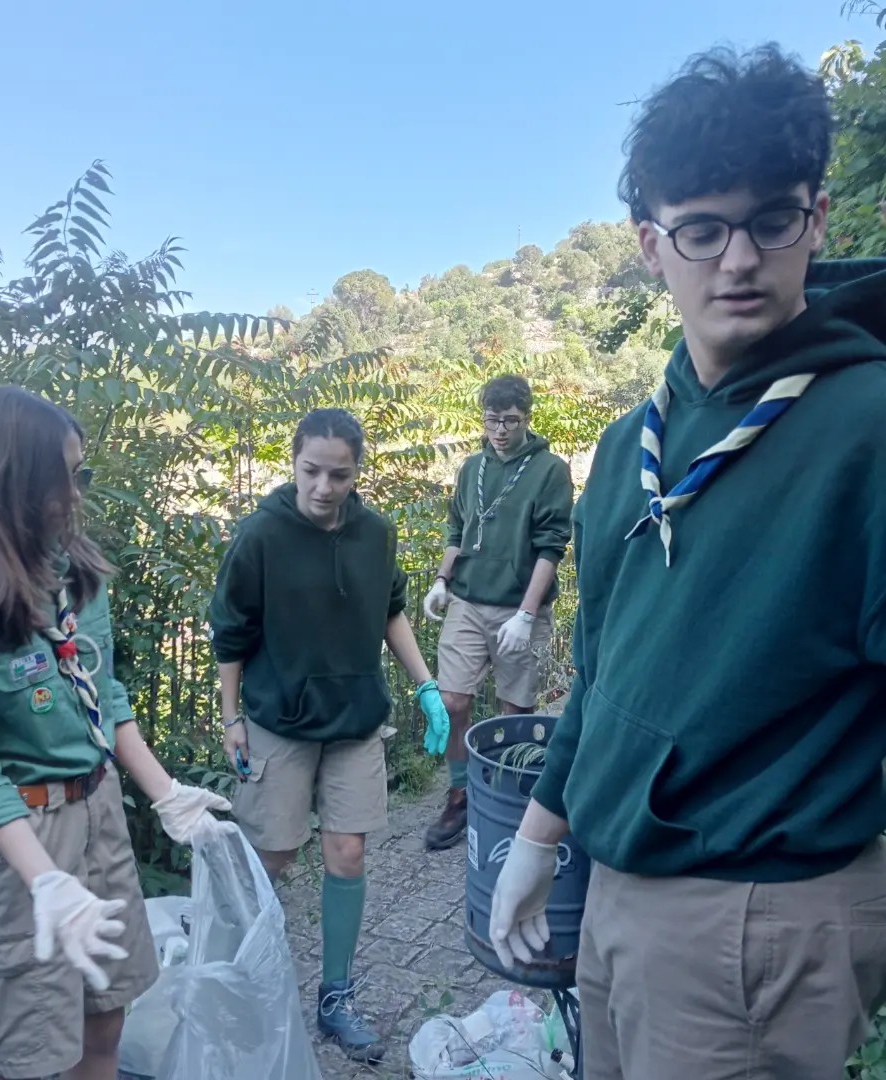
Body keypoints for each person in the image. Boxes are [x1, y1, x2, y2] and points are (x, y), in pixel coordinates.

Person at [489, 44, 886, 1080]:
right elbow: (602, 671)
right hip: (619, 888)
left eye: (771, 220)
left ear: (818, 220)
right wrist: (537, 839)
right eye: (702, 229)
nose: (739, 260)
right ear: (650, 246)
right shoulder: (633, 444)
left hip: (763, 913)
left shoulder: (868, 426)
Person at [0, 386, 231, 1080]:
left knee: (106, 1023)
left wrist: (166, 794)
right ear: (9, 484)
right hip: (18, 845)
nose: (77, 495)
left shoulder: (73, 573)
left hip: (99, 815)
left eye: (82, 474)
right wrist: (46, 880)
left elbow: (101, 695)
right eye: (64, 478)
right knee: (19, 1057)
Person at [208, 407, 450, 1063]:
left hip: (354, 721)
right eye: (311, 471)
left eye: (338, 475)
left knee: (347, 854)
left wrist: (426, 686)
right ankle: (236, 985)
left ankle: (336, 996)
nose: (323, 487)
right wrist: (231, 718)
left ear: (356, 472)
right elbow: (230, 634)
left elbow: (391, 611)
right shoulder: (261, 535)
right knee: (273, 856)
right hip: (277, 722)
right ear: (293, 462)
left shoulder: (376, 534)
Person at [420, 375, 573, 850]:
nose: (500, 430)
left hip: (519, 606)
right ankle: (460, 795)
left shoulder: (550, 470)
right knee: (452, 702)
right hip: (467, 600)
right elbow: (457, 528)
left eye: (510, 421)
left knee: (515, 710)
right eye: (492, 420)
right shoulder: (471, 468)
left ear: (527, 418)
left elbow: (552, 546)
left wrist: (526, 614)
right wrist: (441, 580)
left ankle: (510, 798)